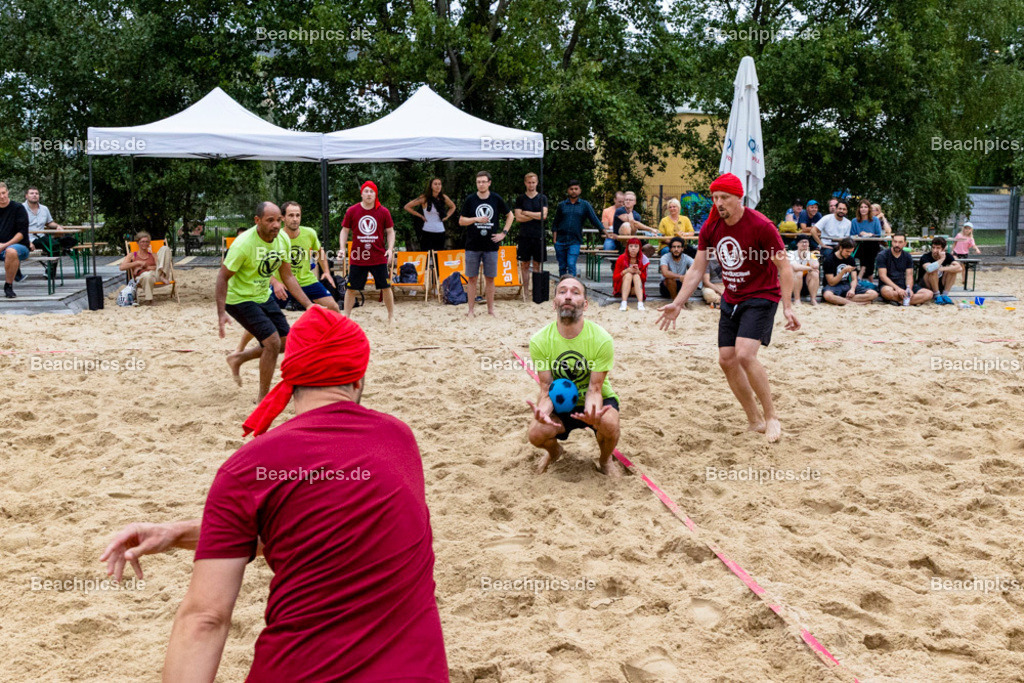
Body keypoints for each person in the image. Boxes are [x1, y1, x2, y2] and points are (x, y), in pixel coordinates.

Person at [100, 308, 449, 681]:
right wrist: (179, 533)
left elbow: (206, 618)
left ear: (291, 377)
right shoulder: (399, 439)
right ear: (359, 378)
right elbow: (322, 531)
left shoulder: (248, 468)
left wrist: (199, 534)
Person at [656, 173, 800, 443]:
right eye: (715, 197)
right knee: (726, 359)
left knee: (745, 355)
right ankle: (754, 420)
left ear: (739, 198)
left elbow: (784, 267)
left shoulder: (761, 225)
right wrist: (677, 303)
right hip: (731, 297)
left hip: (762, 295)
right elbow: (697, 268)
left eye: (724, 197)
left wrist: (788, 307)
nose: (718, 202)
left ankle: (771, 417)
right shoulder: (711, 226)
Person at [526, 275, 623, 477]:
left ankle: (605, 460)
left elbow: (595, 388)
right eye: (562, 291)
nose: (568, 296)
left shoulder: (601, 339)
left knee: (610, 423)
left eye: (575, 292)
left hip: (594, 397)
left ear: (585, 304)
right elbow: (546, 388)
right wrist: (543, 412)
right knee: (535, 433)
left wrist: (592, 412)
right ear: (554, 303)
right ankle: (555, 452)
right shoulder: (539, 340)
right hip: (560, 403)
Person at [218, 201, 313, 401]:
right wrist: (220, 313)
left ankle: (238, 358)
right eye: (270, 220)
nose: (276, 225)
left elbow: (287, 276)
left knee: (285, 343)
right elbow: (222, 277)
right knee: (271, 342)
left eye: (278, 220)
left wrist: (309, 305)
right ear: (257, 220)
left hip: (262, 294)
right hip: (238, 299)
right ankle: (263, 398)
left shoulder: (282, 240)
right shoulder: (243, 244)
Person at [235, 202, 340, 351]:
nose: (295, 219)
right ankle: (240, 348)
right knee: (261, 315)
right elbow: (261, 264)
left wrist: (327, 272)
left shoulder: (309, 233)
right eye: (291, 215)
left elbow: (319, 251)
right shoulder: (274, 235)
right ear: (283, 218)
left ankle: (334, 341)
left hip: (305, 280)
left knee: (333, 307)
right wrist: (275, 282)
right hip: (281, 283)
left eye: (298, 215)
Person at [458, 171, 512, 317]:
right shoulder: (470, 199)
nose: (481, 184)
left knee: (490, 279)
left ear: (489, 183)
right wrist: (476, 219)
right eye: (478, 182)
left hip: (491, 245)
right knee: (472, 278)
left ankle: (490, 310)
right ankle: (470, 310)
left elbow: (510, 215)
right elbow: (461, 221)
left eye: (483, 181)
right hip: (472, 245)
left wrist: (503, 233)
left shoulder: (496, 198)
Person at [341, 181, 396, 321]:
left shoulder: (383, 211)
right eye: (366, 191)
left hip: (378, 256)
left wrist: (390, 249)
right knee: (351, 289)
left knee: (385, 287)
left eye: (372, 191)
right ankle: (346, 317)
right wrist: (342, 249)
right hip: (358, 256)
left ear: (375, 194)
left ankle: (391, 316)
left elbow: (390, 231)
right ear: (361, 193)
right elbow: (344, 230)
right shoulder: (352, 211)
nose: (369, 194)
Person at [550, 179, 604, 277]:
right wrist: (555, 240)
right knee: (562, 266)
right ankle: (562, 287)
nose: (573, 191)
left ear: (580, 190)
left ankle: (572, 286)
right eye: (571, 189)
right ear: (568, 190)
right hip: (560, 241)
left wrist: (603, 230)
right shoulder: (562, 205)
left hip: (575, 241)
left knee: (571, 264)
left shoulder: (584, 205)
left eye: (576, 189)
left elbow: (594, 219)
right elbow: (555, 223)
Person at [513, 172, 549, 299]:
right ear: (525, 183)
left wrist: (527, 213)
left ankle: (537, 290)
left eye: (533, 182)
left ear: (537, 182)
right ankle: (526, 292)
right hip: (524, 235)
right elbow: (518, 217)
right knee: (525, 264)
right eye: (529, 182)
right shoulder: (520, 199)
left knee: (538, 264)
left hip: (538, 235)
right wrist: (536, 215)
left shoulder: (542, 198)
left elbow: (543, 216)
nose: (531, 185)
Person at [876, 233, 932, 305]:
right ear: (892, 242)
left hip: (904, 284)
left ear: (905, 243)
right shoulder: (883, 255)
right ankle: (911, 301)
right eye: (895, 241)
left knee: (929, 294)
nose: (897, 245)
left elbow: (909, 275)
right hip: (889, 285)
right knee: (886, 292)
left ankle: (901, 302)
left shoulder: (907, 256)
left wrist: (909, 289)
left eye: (900, 242)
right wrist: (897, 289)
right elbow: (883, 276)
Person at [120, 231, 175, 305]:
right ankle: (149, 299)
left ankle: (162, 276)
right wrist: (137, 263)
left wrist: (145, 267)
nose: (145, 243)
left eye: (147, 242)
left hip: (156, 276)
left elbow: (159, 267)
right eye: (142, 241)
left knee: (165, 248)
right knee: (147, 275)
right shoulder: (132, 255)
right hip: (142, 277)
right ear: (138, 243)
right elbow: (122, 267)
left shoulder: (153, 255)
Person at [404, 177, 455, 255]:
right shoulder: (424, 198)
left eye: (439, 184)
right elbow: (407, 207)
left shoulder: (443, 198)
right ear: (431, 186)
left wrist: (446, 217)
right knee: (426, 256)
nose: (438, 186)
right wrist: (420, 216)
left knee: (438, 257)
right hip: (427, 232)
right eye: (435, 184)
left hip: (440, 231)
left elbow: (453, 207)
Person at [821, 238, 878, 305]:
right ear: (840, 248)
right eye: (847, 251)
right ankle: (856, 303)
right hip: (834, 286)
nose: (849, 254)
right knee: (828, 295)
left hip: (846, 284)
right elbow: (831, 283)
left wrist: (852, 289)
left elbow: (854, 279)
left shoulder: (850, 259)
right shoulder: (829, 260)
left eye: (851, 252)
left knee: (874, 294)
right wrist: (843, 271)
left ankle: (841, 300)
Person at [25, 186, 75, 256]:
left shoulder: (44, 209)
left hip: (42, 236)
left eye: (36, 193)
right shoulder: (21, 208)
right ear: (26, 196)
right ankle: (64, 248)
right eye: (32, 193)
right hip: (28, 238)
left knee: (68, 238)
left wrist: (58, 226)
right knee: (53, 244)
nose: (34, 195)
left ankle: (53, 264)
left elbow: (49, 222)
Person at [0, 182, 30, 299]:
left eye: (3, 193)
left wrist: (4, 245)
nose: (2, 196)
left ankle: (8, 285)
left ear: (7, 192)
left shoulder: (18, 208)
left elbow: (22, 233)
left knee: (11, 251)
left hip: (19, 246)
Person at [918, 236, 961, 305]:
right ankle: (937, 295)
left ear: (943, 249)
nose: (935, 250)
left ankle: (945, 295)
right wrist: (941, 259)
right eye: (933, 247)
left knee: (952, 270)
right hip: (926, 285)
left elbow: (959, 268)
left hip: (941, 283)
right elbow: (929, 268)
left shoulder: (948, 256)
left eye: (938, 248)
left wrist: (943, 268)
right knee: (933, 269)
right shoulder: (925, 257)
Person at [849, 199, 884, 279]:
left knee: (870, 247)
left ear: (869, 209)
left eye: (865, 207)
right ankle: (869, 276)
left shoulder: (875, 220)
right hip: (858, 246)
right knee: (864, 248)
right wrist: (860, 234)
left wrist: (870, 234)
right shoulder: (854, 221)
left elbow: (878, 234)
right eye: (861, 207)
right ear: (858, 209)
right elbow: (852, 235)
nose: (863, 209)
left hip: (872, 246)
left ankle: (862, 270)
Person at [613, 238, 649, 310]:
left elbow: (644, 279)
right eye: (631, 246)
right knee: (628, 275)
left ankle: (640, 303)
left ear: (639, 248)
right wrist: (626, 271)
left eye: (636, 246)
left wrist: (638, 272)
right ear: (627, 247)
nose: (633, 249)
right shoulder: (621, 258)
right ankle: (623, 303)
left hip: (635, 289)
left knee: (636, 276)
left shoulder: (643, 259)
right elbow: (615, 278)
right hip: (622, 287)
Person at [787, 237, 819, 306]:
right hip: (792, 284)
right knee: (798, 272)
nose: (804, 244)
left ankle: (813, 299)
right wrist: (810, 268)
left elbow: (816, 266)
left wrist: (807, 255)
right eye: (802, 242)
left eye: (806, 242)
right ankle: (797, 299)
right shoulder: (791, 253)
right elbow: (795, 267)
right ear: (797, 244)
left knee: (815, 274)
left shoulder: (811, 254)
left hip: (806, 284)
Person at [952, 221, 982, 287]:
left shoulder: (970, 238)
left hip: (964, 254)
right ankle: (952, 280)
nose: (967, 230)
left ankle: (964, 280)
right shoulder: (959, 235)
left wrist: (977, 249)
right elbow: (954, 243)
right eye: (966, 228)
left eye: (969, 229)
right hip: (956, 253)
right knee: (956, 265)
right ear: (963, 229)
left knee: (964, 268)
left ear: (971, 230)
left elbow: (973, 245)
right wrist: (952, 250)